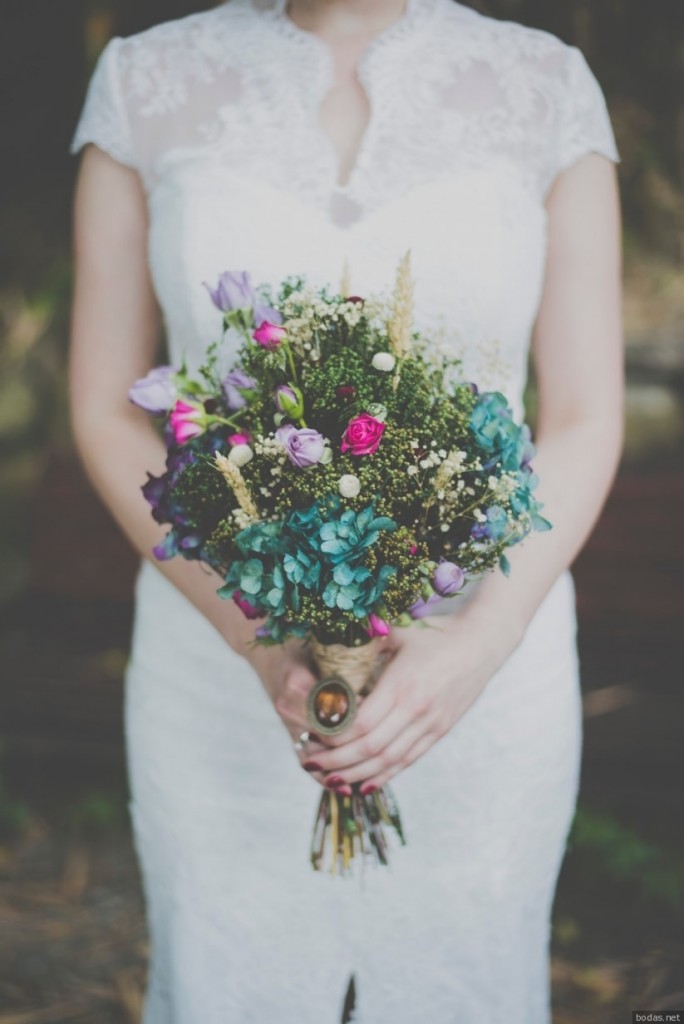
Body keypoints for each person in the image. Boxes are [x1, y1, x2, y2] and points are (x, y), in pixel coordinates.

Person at [68, 0, 623, 1021]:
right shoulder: (146, 81)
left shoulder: (546, 86)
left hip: (486, 660)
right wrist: (254, 639)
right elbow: (106, 404)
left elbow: (585, 415)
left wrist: (477, 650)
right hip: (219, 657)